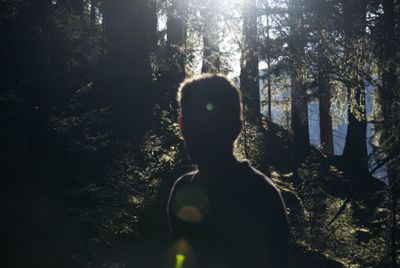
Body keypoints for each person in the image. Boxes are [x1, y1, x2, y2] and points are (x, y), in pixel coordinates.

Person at [167, 74, 289, 268]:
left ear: (236, 129)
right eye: (194, 124)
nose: (202, 134)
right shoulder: (262, 193)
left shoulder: (262, 196)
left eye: (212, 125)